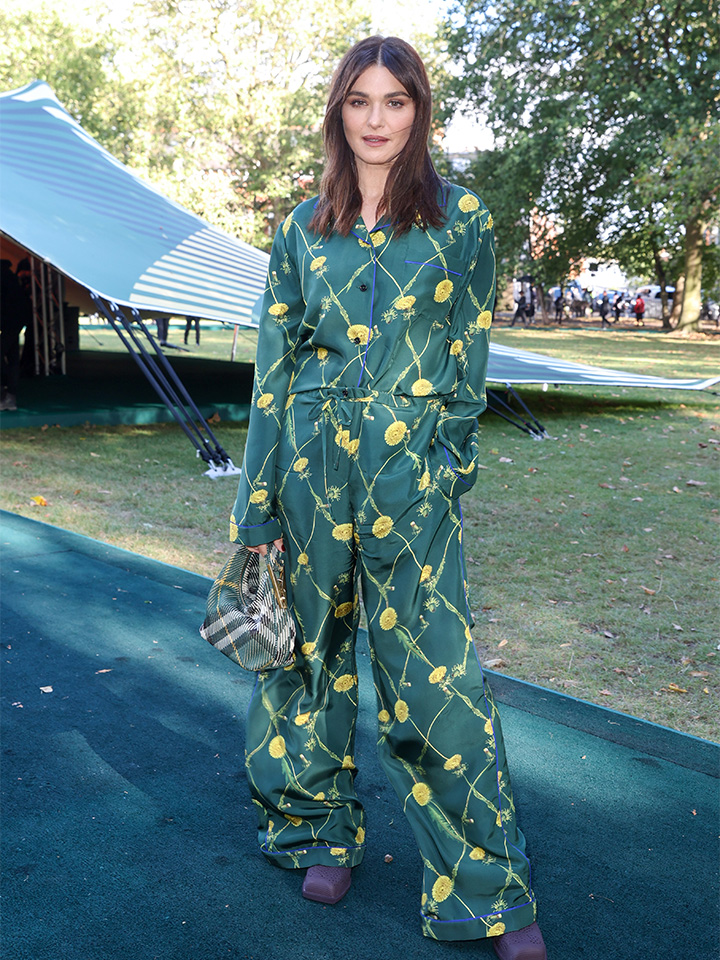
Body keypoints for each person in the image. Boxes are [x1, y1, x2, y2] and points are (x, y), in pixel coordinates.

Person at [228, 36, 546, 960]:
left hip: (412, 488)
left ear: (419, 111)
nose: (375, 119)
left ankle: (487, 888)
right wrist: (257, 509)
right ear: (339, 111)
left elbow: (468, 365)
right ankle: (314, 828)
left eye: (395, 102)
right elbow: (272, 375)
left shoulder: (464, 219)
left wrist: (445, 474)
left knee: (439, 686)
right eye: (359, 101)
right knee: (304, 662)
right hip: (308, 475)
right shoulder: (301, 227)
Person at [0, 259, 32, 411]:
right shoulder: (9, 276)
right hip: (15, 320)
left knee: (5, 355)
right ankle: (10, 395)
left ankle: (5, 393)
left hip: (11, 320)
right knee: (12, 357)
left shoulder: (3, 277)